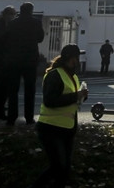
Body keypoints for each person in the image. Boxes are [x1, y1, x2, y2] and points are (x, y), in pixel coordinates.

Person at [32, 44, 88, 188]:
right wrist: (76, 96)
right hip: (51, 128)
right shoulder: (55, 75)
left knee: (64, 170)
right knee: (58, 166)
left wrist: (81, 96)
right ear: (70, 58)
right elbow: (50, 101)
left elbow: (72, 98)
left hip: (66, 129)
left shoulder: (73, 76)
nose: (78, 61)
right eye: (77, 57)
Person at [3, 2, 45, 126]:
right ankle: (29, 117)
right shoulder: (36, 22)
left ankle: (11, 117)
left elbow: (7, 39)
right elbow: (40, 38)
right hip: (30, 60)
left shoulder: (13, 23)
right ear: (31, 10)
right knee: (30, 90)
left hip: (15, 59)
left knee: (13, 90)